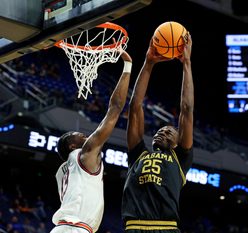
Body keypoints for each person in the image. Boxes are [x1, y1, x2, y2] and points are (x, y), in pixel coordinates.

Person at [50, 50, 133, 233]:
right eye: (80, 135)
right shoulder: (83, 154)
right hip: (74, 229)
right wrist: (127, 66)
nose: (86, 136)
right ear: (73, 146)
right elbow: (115, 108)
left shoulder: (64, 171)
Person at [121, 32, 194, 232]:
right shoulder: (138, 154)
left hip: (166, 227)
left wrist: (186, 64)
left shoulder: (180, 158)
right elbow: (135, 106)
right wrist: (148, 63)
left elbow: (187, 110)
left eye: (169, 131)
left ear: (179, 141)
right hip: (133, 227)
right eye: (160, 130)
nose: (162, 132)